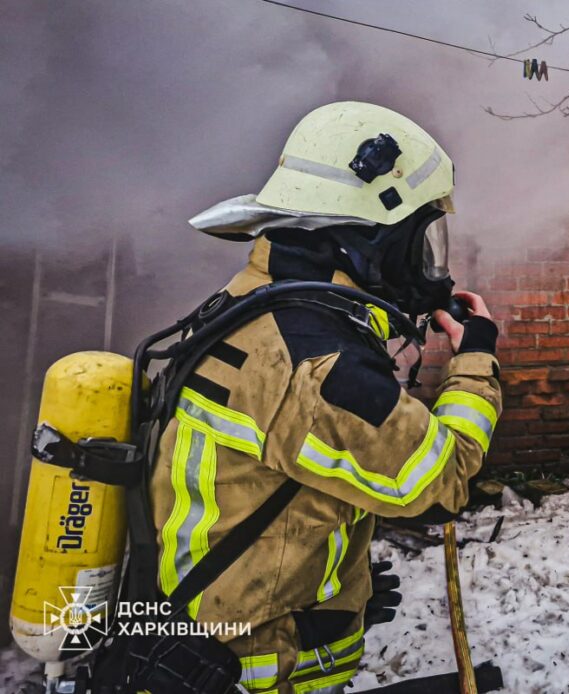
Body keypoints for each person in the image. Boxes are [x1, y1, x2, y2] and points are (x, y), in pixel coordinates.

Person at [151, 101, 501, 692]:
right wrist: (476, 359)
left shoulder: (248, 309)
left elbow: (276, 483)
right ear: (369, 242)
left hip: (217, 637)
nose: (428, 265)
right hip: (257, 670)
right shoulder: (316, 360)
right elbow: (439, 486)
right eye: (420, 240)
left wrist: (339, 578)